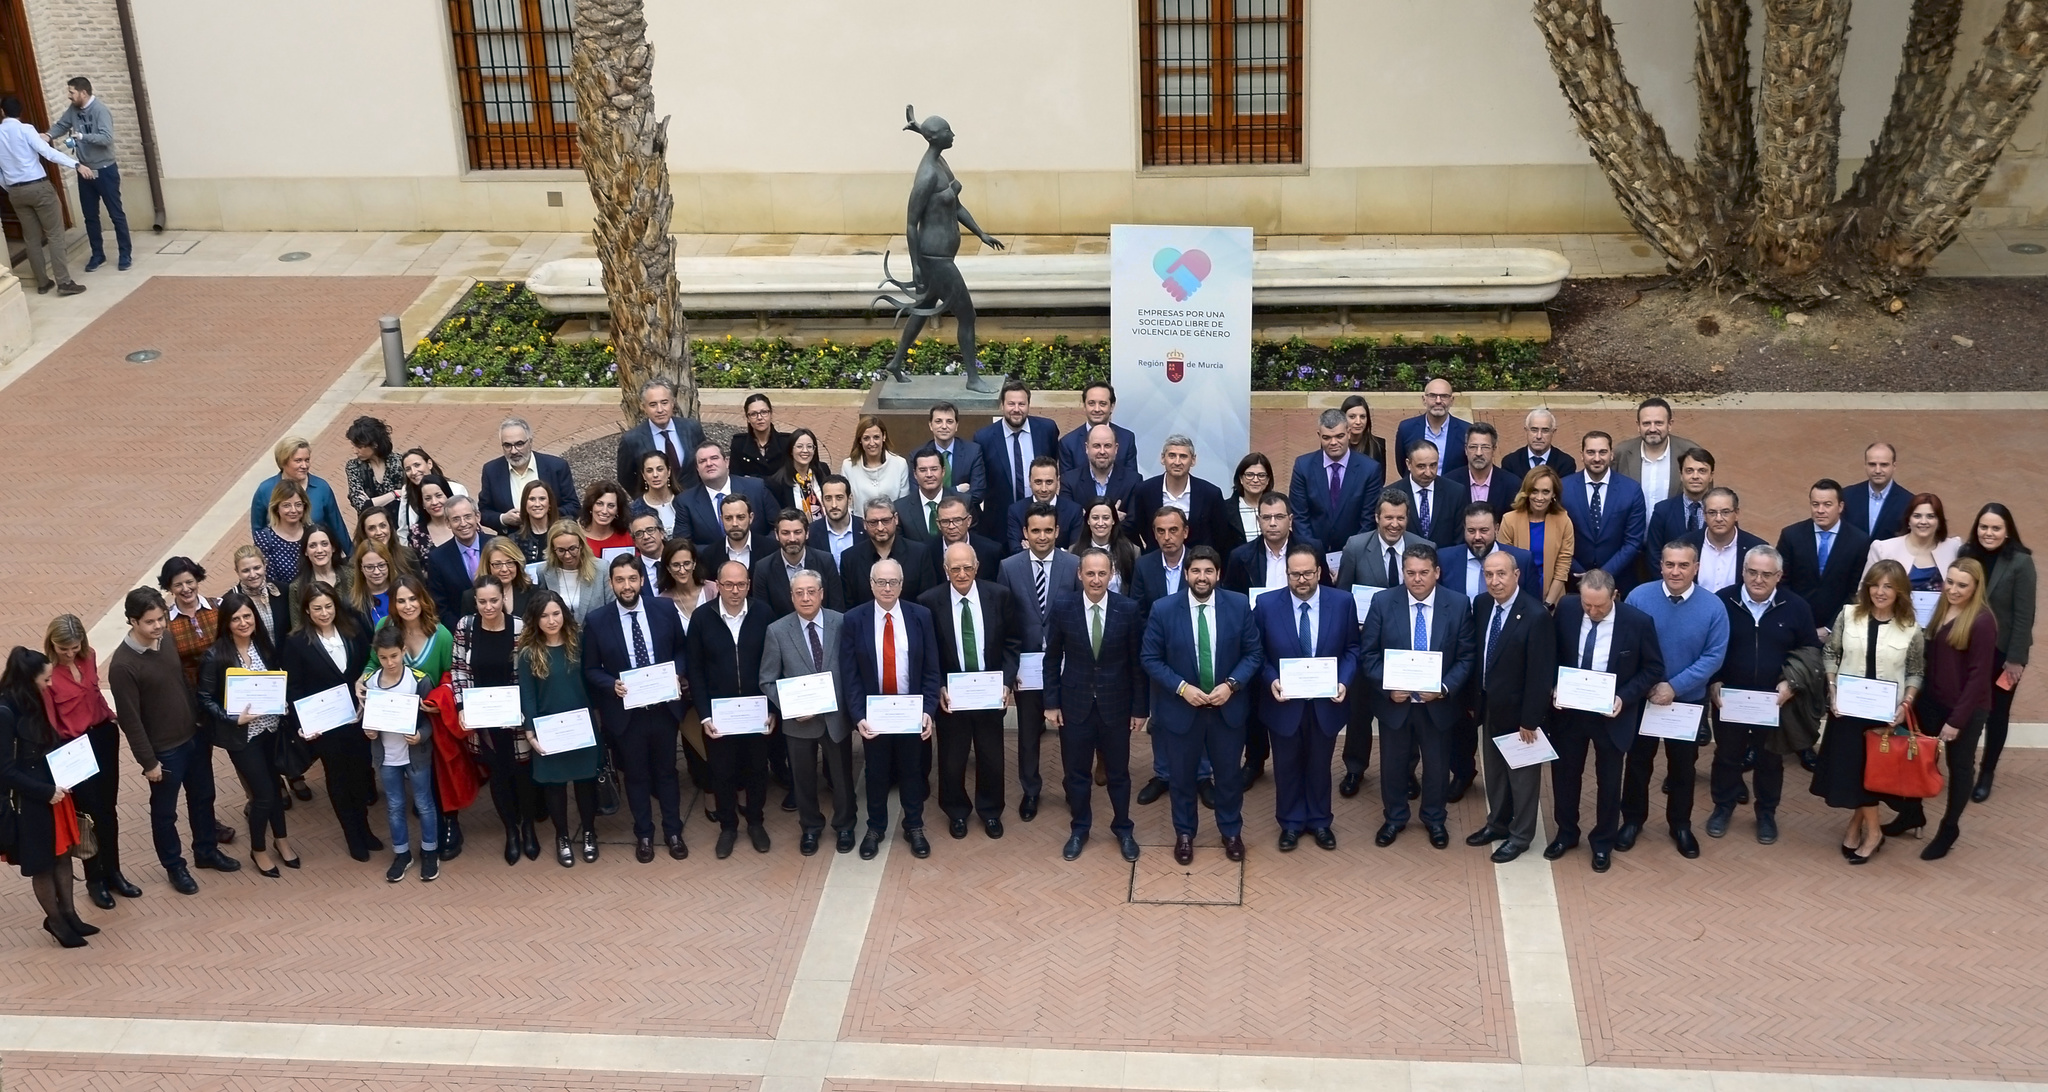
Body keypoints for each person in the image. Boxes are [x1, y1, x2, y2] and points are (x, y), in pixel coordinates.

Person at [108, 587, 238, 894]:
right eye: (150, 622)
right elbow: (130, 720)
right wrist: (148, 762)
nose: (158, 627)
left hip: (193, 737)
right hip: (164, 752)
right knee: (165, 813)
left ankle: (206, 851)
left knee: (204, 797)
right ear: (132, 621)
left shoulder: (165, 640)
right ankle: (175, 867)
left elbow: (180, 681)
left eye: (161, 619)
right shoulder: (122, 666)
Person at [1141, 546, 1260, 865]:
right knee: (1181, 777)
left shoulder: (1238, 606)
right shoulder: (1163, 609)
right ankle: (1184, 834)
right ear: (1186, 574)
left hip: (1227, 709)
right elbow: (1150, 658)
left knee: (1228, 777)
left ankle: (1231, 832)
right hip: (1182, 710)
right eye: (1196, 571)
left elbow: (1254, 654)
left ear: (1218, 574)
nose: (1202, 577)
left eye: (1208, 571)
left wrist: (1231, 685)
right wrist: (1182, 688)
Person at [1359, 544, 1476, 849]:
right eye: (1410, 573)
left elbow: (1466, 657)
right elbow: (1368, 653)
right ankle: (1395, 817)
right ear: (1403, 573)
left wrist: (1443, 689)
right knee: (1393, 766)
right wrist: (1387, 686)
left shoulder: (1459, 604)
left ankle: (1435, 819)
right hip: (1395, 703)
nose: (1417, 579)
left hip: (1437, 704)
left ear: (1437, 572)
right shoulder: (1383, 602)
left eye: (1424, 573)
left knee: (1437, 767)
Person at [1547, 570, 1663, 871]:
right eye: (1587, 605)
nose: (1592, 611)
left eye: (1599, 606)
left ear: (1615, 596)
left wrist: (1623, 697)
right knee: (1564, 775)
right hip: (1570, 712)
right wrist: (1554, 685)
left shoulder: (1638, 623)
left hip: (1611, 716)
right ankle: (1566, 833)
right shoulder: (1568, 609)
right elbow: (1553, 653)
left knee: (1609, 781)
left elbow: (1652, 669)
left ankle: (1602, 842)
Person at [1885, 558, 2000, 861]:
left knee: (1960, 768)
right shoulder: (1942, 607)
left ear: (1976, 587)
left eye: (1962, 585)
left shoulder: (1983, 621)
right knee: (1912, 757)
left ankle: (1949, 828)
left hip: (1966, 709)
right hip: (1932, 701)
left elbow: (1978, 678)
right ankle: (1912, 814)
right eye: (1950, 582)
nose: (1953, 589)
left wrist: (1956, 721)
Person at [1619, 542, 1729, 859]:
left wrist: (1674, 687)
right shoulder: (1640, 597)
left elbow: (1713, 657)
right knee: (1638, 764)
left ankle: (1680, 824)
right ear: (1661, 565)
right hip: (1645, 699)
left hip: (1687, 702)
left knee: (1683, 768)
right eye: (1669, 564)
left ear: (1696, 568)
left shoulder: (1713, 607)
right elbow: (1628, 646)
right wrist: (1650, 686)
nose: (1675, 571)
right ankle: (1632, 820)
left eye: (1683, 565)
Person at [1704, 545, 1817, 846]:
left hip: (1775, 701)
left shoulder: (1796, 607)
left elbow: (1810, 652)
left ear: (1779, 576)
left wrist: (1791, 684)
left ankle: (1766, 813)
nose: (1758, 579)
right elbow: (1709, 647)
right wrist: (1714, 681)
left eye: (1766, 574)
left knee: (1770, 760)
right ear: (1743, 571)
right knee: (1727, 756)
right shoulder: (1721, 602)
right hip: (1730, 698)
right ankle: (1722, 807)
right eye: (1752, 572)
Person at [1812, 561, 1922, 862]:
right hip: (1848, 710)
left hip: (1884, 714)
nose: (1880, 592)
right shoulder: (1849, 615)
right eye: (1875, 585)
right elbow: (1831, 652)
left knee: (1871, 774)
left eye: (1888, 586)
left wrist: (1905, 705)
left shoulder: (1911, 628)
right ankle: (1863, 826)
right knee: (1852, 773)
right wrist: (1832, 688)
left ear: (1900, 591)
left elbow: (1915, 671)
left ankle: (1870, 832)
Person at [583, 554, 689, 862]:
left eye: (632, 579)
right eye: (620, 580)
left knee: (667, 773)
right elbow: (590, 669)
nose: (627, 586)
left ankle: (673, 831)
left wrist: (676, 673)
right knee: (637, 777)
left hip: (663, 709)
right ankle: (644, 833)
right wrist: (610, 684)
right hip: (626, 713)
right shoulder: (597, 620)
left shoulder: (664, 609)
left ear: (642, 581)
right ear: (611, 583)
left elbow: (681, 649)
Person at [1043, 548, 1147, 861]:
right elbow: (1052, 659)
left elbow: (1136, 664)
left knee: (1119, 774)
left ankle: (1123, 827)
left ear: (1112, 574)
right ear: (1080, 575)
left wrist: (1140, 709)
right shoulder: (1063, 607)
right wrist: (1051, 702)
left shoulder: (1127, 609)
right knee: (1076, 773)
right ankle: (1080, 828)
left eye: (1102, 573)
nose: (1096, 579)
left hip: (1116, 705)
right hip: (1074, 705)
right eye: (1090, 573)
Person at [1253, 544, 1359, 852]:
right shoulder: (1266, 604)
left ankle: (1320, 821)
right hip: (1283, 702)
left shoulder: (1342, 602)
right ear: (1286, 574)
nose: (1302, 580)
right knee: (1285, 765)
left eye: (1308, 573)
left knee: (1319, 763)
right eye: (1295, 574)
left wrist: (1344, 681)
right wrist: (1270, 679)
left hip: (1327, 701)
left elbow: (1353, 648)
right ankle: (1290, 823)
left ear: (1319, 572)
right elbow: (1256, 651)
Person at [840, 557, 942, 860]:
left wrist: (929, 710)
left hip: (911, 713)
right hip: (875, 716)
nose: (887, 587)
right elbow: (850, 674)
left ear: (902, 583)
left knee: (913, 771)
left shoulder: (920, 616)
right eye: (881, 582)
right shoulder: (854, 619)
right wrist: (858, 715)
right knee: (876, 774)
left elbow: (931, 670)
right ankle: (875, 828)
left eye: (893, 582)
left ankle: (914, 826)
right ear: (871, 584)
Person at [920, 542, 1022, 839]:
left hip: (990, 693)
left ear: (976, 567)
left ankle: (990, 811)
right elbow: (927, 653)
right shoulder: (929, 602)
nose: (961, 573)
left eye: (967, 567)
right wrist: (938, 685)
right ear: (945, 570)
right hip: (952, 697)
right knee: (952, 759)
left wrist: (1006, 681)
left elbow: (1012, 642)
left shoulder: (998, 596)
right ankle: (956, 812)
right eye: (955, 568)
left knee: (991, 756)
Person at [1334, 490, 1432, 797]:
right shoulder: (1355, 546)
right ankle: (1354, 768)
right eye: (1388, 517)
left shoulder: (1424, 547)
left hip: (1409, 648)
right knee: (1360, 711)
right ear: (1377, 517)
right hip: (1368, 646)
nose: (1394, 524)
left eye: (1400, 517)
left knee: (1408, 714)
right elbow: (1342, 595)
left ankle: (1407, 771)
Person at [1460, 550, 1555, 863]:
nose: (1494, 581)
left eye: (1501, 574)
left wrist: (1531, 719)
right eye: (1488, 574)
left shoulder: (1535, 615)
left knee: (1523, 779)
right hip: (1489, 706)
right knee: (1495, 773)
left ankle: (1521, 835)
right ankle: (1498, 824)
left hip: (1520, 717)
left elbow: (1541, 674)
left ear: (1517, 575)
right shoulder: (1482, 604)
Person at [196, 591, 298, 877]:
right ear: (226, 623)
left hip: (271, 730)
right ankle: (258, 849)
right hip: (243, 737)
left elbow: (276, 680)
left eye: (247, 616)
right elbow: (204, 698)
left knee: (276, 789)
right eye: (236, 618)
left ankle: (282, 840)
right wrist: (232, 717)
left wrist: (283, 700)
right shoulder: (215, 655)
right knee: (263, 795)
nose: (243, 622)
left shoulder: (263, 647)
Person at [43, 615, 139, 910]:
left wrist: (111, 716)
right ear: (52, 644)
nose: (70, 653)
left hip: (102, 737)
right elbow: (49, 722)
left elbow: (95, 694)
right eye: (63, 648)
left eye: (74, 647)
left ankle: (114, 873)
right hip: (73, 748)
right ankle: (95, 880)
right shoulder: (47, 674)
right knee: (89, 814)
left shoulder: (89, 657)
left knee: (109, 808)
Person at [1, 648, 95, 947]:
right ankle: (55, 921)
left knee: (63, 854)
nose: (50, 684)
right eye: (46, 679)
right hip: (30, 800)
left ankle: (69, 914)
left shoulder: (32, 700)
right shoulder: (4, 713)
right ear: (29, 679)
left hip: (55, 792)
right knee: (42, 863)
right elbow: (5, 770)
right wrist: (45, 791)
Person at [281, 582, 380, 860]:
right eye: (317, 608)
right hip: (326, 726)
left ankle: (365, 828)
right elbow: (295, 689)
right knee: (338, 778)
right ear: (306, 611)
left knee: (361, 774)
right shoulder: (297, 642)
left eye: (328, 606)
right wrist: (304, 724)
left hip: (357, 718)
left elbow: (366, 667)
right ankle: (352, 835)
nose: (324, 613)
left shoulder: (352, 630)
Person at [761, 570, 857, 855]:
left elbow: (852, 670)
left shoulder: (842, 622)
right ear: (791, 596)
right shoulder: (777, 631)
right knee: (803, 780)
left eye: (811, 591)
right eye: (799, 592)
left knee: (842, 777)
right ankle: (811, 828)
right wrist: (791, 707)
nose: (805, 597)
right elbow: (767, 679)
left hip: (835, 718)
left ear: (822, 593)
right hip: (799, 723)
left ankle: (845, 826)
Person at [689, 561, 776, 858]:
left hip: (757, 711)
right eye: (728, 585)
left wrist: (773, 708)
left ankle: (755, 822)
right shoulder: (702, 618)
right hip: (720, 714)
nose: (735, 591)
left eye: (741, 585)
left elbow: (775, 664)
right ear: (718, 585)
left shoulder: (764, 614)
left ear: (749, 585)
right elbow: (695, 670)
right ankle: (728, 827)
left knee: (756, 770)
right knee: (722, 772)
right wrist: (704, 715)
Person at [1000, 505, 1081, 819]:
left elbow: (1078, 616)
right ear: (1025, 533)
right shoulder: (1009, 567)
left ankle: (1073, 788)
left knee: (1071, 733)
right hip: (1027, 670)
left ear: (1057, 531)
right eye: (1036, 530)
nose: (1042, 536)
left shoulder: (1073, 564)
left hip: (1066, 668)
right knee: (1029, 733)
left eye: (1048, 530)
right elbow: (1004, 624)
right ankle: (1030, 790)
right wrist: (1011, 670)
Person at [451, 579, 539, 866]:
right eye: (482, 601)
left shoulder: (519, 628)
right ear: (475, 602)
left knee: (523, 775)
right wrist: (462, 706)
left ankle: (528, 827)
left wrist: (522, 711)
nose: (488, 607)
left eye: (494, 600)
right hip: (483, 719)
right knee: (498, 776)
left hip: (515, 717)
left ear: (504, 599)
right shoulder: (465, 627)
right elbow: (459, 670)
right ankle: (511, 831)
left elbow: (527, 674)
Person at [517, 591, 602, 866]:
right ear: (535, 619)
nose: (551, 620)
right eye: (544, 616)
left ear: (564, 614)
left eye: (556, 613)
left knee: (585, 783)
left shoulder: (580, 643)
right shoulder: (529, 653)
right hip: (549, 729)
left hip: (582, 726)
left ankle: (589, 832)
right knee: (554, 786)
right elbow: (527, 695)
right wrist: (530, 731)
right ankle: (562, 837)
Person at [1963, 503, 2033, 803]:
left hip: (2003, 653)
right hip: (1968, 650)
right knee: (1965, 710)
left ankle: (1987, 772)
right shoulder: (1966, 554)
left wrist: (2015, 659)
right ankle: (1964, 767)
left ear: (2007, 532)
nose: (1988, 533)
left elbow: (2023, 615)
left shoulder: (2020, 562)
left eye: (1995, 528)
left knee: (1997, 714)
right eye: (1984, 527)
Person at [357, 627, 439, 883]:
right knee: (394, 807)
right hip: (387, 759)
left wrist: (420, 736)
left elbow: (431, 721)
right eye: (383, 658)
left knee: (425, 805)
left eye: (394, 656)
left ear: (403, 651)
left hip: (416, 756)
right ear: (377, 656)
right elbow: (367, 721)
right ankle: (402, 854)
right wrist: (368, 732)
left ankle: (430, 851)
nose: (390, 663)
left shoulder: (419, 680)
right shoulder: (370, 683)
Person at [0, 94, 91, 295]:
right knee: (55, 235)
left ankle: (43, 282)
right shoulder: (26, 130)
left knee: (31, 238)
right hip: (38, 187)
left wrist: (9, 187)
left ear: (2, 112)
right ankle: (64, 282)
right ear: (20, 112)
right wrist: (75, 164)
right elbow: (48, 153)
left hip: (16, 191)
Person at [46, 77, 128, 273]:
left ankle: (125, 254)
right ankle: (97, 255)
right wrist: (48, 135)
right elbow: (62, 125)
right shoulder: (73, 110)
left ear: (83, 93)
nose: (69, 96)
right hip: (84, 171)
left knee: (116, 214)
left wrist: (83, 136)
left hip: (105, 170)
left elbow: (107, 138)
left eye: (72, 92)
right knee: (90, 216)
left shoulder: (100, 110)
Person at [1777, 479, 1871, 643]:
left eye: (1827, 504)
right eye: (1815, 504)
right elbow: (1781, 582)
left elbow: (1855, 591)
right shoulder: (1791, 536)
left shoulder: (1859, 541)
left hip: (1840, 630)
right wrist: (1798, 621)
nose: (1820, 510)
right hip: (1794, 625)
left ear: (1840, 507)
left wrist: (1830, 627)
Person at [1123, 434, 1244, 553]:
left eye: (1183, 456)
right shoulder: (1144, 491)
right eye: (1172, 456)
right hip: (1156, 562)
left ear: (1193, 460)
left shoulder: (1211, 494)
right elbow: (1141, 528)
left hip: (1198, 564)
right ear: (1162, 458)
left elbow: (1221, 536)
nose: (1177, 462)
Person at [974, 381, 1061, 543]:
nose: (1016, 409)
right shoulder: (984, 438)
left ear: (1029, 404)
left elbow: (1053, 463)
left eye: (1021, 404)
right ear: (1002, 405)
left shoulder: (1047, 429)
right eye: (1011, 404)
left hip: (1042, 519)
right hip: (1001, 523)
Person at [1561, 432, 1645, 594]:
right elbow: (1556, 536)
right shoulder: (1564, 488)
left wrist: (1603, 574)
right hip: (1574, 580)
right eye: (1591, 452)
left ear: (1612, 454)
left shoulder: (1631, 490)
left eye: (1603, 452)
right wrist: (1578, 571)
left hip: (1619, 579)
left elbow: (1633, 541)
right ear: (1582, 455)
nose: (1597, 458)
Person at [1291, 408, 1384, 551]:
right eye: (1326, 437)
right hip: (1313, 556)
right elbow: (1300, 517)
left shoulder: (1369, 470)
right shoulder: (1303, 466)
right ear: (1319, 435)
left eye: (1339, 436)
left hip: (1355, 555)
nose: (1333, 442)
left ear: (1348, 433)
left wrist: (1350, 556)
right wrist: (1314, 554)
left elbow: (1368, 520)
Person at [249, 437, 353, 554]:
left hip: (316, 558)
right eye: (298, 461)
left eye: (307, 460)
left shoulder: (321, 487)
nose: (304, 466)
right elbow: (257, 529)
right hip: (281, 560)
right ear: (283, 462)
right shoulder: (265, 490)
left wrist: (352, 557)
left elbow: (337, 526)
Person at [1499, 467, 1575, 609]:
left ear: (1553, 494)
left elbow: (1563, 567)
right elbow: (1504, 565)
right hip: (1515, 599)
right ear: (1527, 492)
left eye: (1545, 492)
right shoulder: (1509, 520)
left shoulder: (1564, 521)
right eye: (1534, 491)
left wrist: (1548, 605)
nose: (1539, 498)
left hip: (1552, 598)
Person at [680, 440, 775, 553]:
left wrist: (759, 548)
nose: (709, 463)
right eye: (702, 461)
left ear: (727, 462)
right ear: (697, 468)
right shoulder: (685, 501)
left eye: (714, 458)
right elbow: (683, 544)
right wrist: (720, 552)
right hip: (711, 566)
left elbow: (778, 526)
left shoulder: (756, 488)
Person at [616, 378, 708, 496]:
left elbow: (704, 461)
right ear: (643, 407)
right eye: (653, 404)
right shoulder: (631, 440)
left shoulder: (691, 428)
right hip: (658, 505)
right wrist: (647, 499)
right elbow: (625, 478)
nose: (660, 410)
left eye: (664, 403)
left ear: (672, 403)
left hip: (694, 499)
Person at [840, 498, 937, 607]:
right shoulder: (850, 558)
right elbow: (849, 605)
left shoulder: (919, 554)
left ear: (895, 519)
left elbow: (927, 600)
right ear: (864, 524)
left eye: (886, 521)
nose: (880, 528)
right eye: (873, 522)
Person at [1865, 493, 1963, 598]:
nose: (1923, 522)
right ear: (1909, 520)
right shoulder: (1883, 549)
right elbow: (1865, 590)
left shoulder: (1954, 548)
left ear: (1939, 521)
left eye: (1930, 516)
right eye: (1917, 516)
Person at [754, 507, 845, 617]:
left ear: (807, 533)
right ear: (777, 535)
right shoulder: (763, 568)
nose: (792, 539)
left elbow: (837, 607)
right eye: (785, 533)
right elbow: (763, 614)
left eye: (797, 532)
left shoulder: (825, 561)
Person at [1226, 492, 1322, 594]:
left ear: (1290, 520)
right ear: (1259, 521)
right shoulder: (1241, 556)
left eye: (1279, 517)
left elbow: (1325, 591)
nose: (1272, 523)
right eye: (1266, 518)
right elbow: (1232, 597)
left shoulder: (1313, 549)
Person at [1612, 397, 1699, 506]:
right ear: (1638, 426)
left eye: (1658, 423)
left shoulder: (1690, 453)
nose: (1652, 429)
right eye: (1646, 423)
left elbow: (1705, 497)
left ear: (1670, 424)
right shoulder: (1621, 453)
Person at [1439, 504, 1534, 604]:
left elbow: (1532, 606)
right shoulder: (1445, 559)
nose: (1477, 537)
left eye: (1484, 530)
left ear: (1496, 529)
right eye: (1471, 531)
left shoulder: (1522, 560)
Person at [1681, 487, 1766, 595]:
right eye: (1712, 513)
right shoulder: (1686, 544)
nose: (1719, 518)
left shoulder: (1756, 548)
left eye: (1725, 512)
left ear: (1736, 514)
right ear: (1704, 515)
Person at [426, 496, 497, 623]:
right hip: (460, 630)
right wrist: (461, 633)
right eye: (456, 519)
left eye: (467, 516)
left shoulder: (497, 546)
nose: (463, 523)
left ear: (477, 517)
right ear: (448, 523)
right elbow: (440, 605)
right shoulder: (437, 558)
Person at [535, 519, 616, 623]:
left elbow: (612, 607)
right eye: (561, 550)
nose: (567, 555)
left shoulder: (602, 568)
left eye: (572, 548)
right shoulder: (544, 571)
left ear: (581, 545)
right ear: (553, 549)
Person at [1393, 440, 1470, 548]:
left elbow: (1460, 537)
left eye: (1433, 465)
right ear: (1408, 464)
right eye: (1421, 466)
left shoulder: (1455, 492)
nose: (1428, 473)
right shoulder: (1392, 493)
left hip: (1443, 561)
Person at [917, 401, 988, 515]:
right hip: (930, 517)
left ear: (956, 425)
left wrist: (937, 494)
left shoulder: (973, 452)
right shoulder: (918, 455)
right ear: (930, 425)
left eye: (949, 421)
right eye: (938, 421)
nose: (944, 426)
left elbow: (977, 494)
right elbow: (917, 494)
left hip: (967, 520)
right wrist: (958, 490)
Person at [1057, 381, 1139, 476]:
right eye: (1091, 403)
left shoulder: (1127, 438)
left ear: (1112, 406)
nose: (1097, 409)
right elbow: (1067, 483)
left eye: (1102, 404)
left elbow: (1132, 480)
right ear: (1084, 406)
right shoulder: (1068, 443)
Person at [1005, 457, 1083, 552]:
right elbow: (1015, 551)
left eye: (1049, 482)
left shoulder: (1074, 511)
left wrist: (1033, 550)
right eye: (1038, 482)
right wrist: (1062, 551)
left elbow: (1075, 553)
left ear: (1058, 481)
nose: (1044, 489)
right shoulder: (1016, 511)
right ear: (1030, 481)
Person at [1395, 378, 1469, 478]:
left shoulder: (1466, 430)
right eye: (1433, 396)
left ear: (1451, 401)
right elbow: (1402, 465)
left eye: (1444, 396)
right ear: (1424, 399)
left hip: (1451, 492)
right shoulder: (1406, 429)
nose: (1438, 401)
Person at [1063, 424, 1142, 515]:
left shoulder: (1133, 481)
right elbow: (1067, 520)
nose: (1102, 451)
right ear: (1087, 448)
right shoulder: (1069, 481)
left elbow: (1134, 521)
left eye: (1107, 446)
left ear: (1116, 449)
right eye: (1096, 446)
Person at [1647, 447, 1717, 550]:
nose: (1695, 476)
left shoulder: (1723, 511)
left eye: (1702, 471)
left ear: (1711, 476)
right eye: (1689, 471)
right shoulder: (1662, 510)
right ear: (1681, 475)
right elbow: (1654, 553)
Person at [1841, 441, 1912, 542]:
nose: (1877, 470)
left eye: (1884, 465)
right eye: (1872, 464)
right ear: (1865, 465)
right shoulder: (1847, 495)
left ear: (1894, 466)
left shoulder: (1908, 502)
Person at [287, 526, 355, 630]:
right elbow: (298, 629)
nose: (319, 550)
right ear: (305, 551)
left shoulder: (352, 575)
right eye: (312, 546)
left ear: (333, 548)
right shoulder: (297, 588)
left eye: (324, 544)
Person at [928, 496, 1003, 588]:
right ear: (938, 524)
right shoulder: (927, 553)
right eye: (945, 521)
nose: (951, 526)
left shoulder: (991, 551)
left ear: (968, 521)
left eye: (957, 520)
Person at [841, 416, 910, 515]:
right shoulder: (848, 466)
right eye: (866, 438)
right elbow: (847, 504)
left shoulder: (900, 464)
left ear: (884, 437)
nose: (872, 443)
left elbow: (903, 502)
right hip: (861, 526)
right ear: (860, 440)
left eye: (876, 437)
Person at [1069, 499, 1138, 597]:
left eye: (1106, 518)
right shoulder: (1073, 551)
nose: (1100, 523)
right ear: (1088, 520)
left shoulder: (1132, 551)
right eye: (1095, 518)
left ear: (1114, 520)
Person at [344, 416, 406, 524]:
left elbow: (410, 497)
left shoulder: (399, 462)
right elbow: (361, 505)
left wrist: (372, 502)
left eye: (359, 447)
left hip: (402, 528)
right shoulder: (354, 467)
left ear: (374, 445)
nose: (355, 451)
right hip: (372, 529)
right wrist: (395, 494)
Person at [764, 427, 832, 525]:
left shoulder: (822, 470)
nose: (805, 450)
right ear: (791, 451)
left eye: (809, 446)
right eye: (799, 446)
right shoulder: (777, 482)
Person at [397, 447, 470, 533]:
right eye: (408, 469)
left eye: (417, 465)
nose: (413, 472)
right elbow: (403, 530)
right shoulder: (406, 492)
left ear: (429, 464)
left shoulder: (456, 489)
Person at [256, 480, 315, 586]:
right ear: (276, 508)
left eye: (298, 505)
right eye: (286, 505)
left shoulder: (313, 533)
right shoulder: (265, 539)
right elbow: (268, 580)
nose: (293, 510)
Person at [232, 546, 292, 648]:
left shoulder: (283, 590)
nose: (253, 574)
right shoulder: (231, 600)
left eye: (257, 568)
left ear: (264, 565)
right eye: (246, 570)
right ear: (237, 572)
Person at [460, 538, 533, 622]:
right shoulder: (469, 597)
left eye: (510, 562)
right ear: (487, 566)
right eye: (497, 564)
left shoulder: (532, 592)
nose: (504, 569)